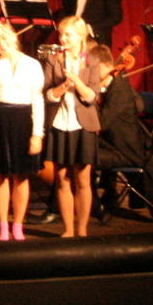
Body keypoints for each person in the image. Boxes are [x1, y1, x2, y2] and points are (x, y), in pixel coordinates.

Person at [0, 20, 45, 241]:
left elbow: (37, 99)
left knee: (21, 176)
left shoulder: (32, 64)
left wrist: (37, 133)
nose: (2, 45)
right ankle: (3, 226)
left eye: (5, 40)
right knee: (0, 175)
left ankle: (18, 224)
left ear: (15, 38)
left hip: (23, 120)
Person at [42, 15, 104, 238]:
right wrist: (62, 87)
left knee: (83, 179)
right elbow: (47, 95)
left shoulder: (91, 60)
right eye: (61, 34)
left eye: (68, 34)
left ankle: (82, 229)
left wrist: (77, 82)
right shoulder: (54, 59)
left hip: (83, 125)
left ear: (80, 36)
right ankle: (68, 230)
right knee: (62, 179)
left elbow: (92, 97)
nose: (63, 38)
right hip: (60, 123)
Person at [93, 43, 153, 215]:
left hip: (125, 151)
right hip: (113, 145)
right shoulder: (113, 85)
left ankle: (93, 204)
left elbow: (101, 123)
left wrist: (91, 99)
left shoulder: (119, 90)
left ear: (101, 66)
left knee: (83, 156)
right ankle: (108, 197)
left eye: (90, 69)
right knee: (81, 151)